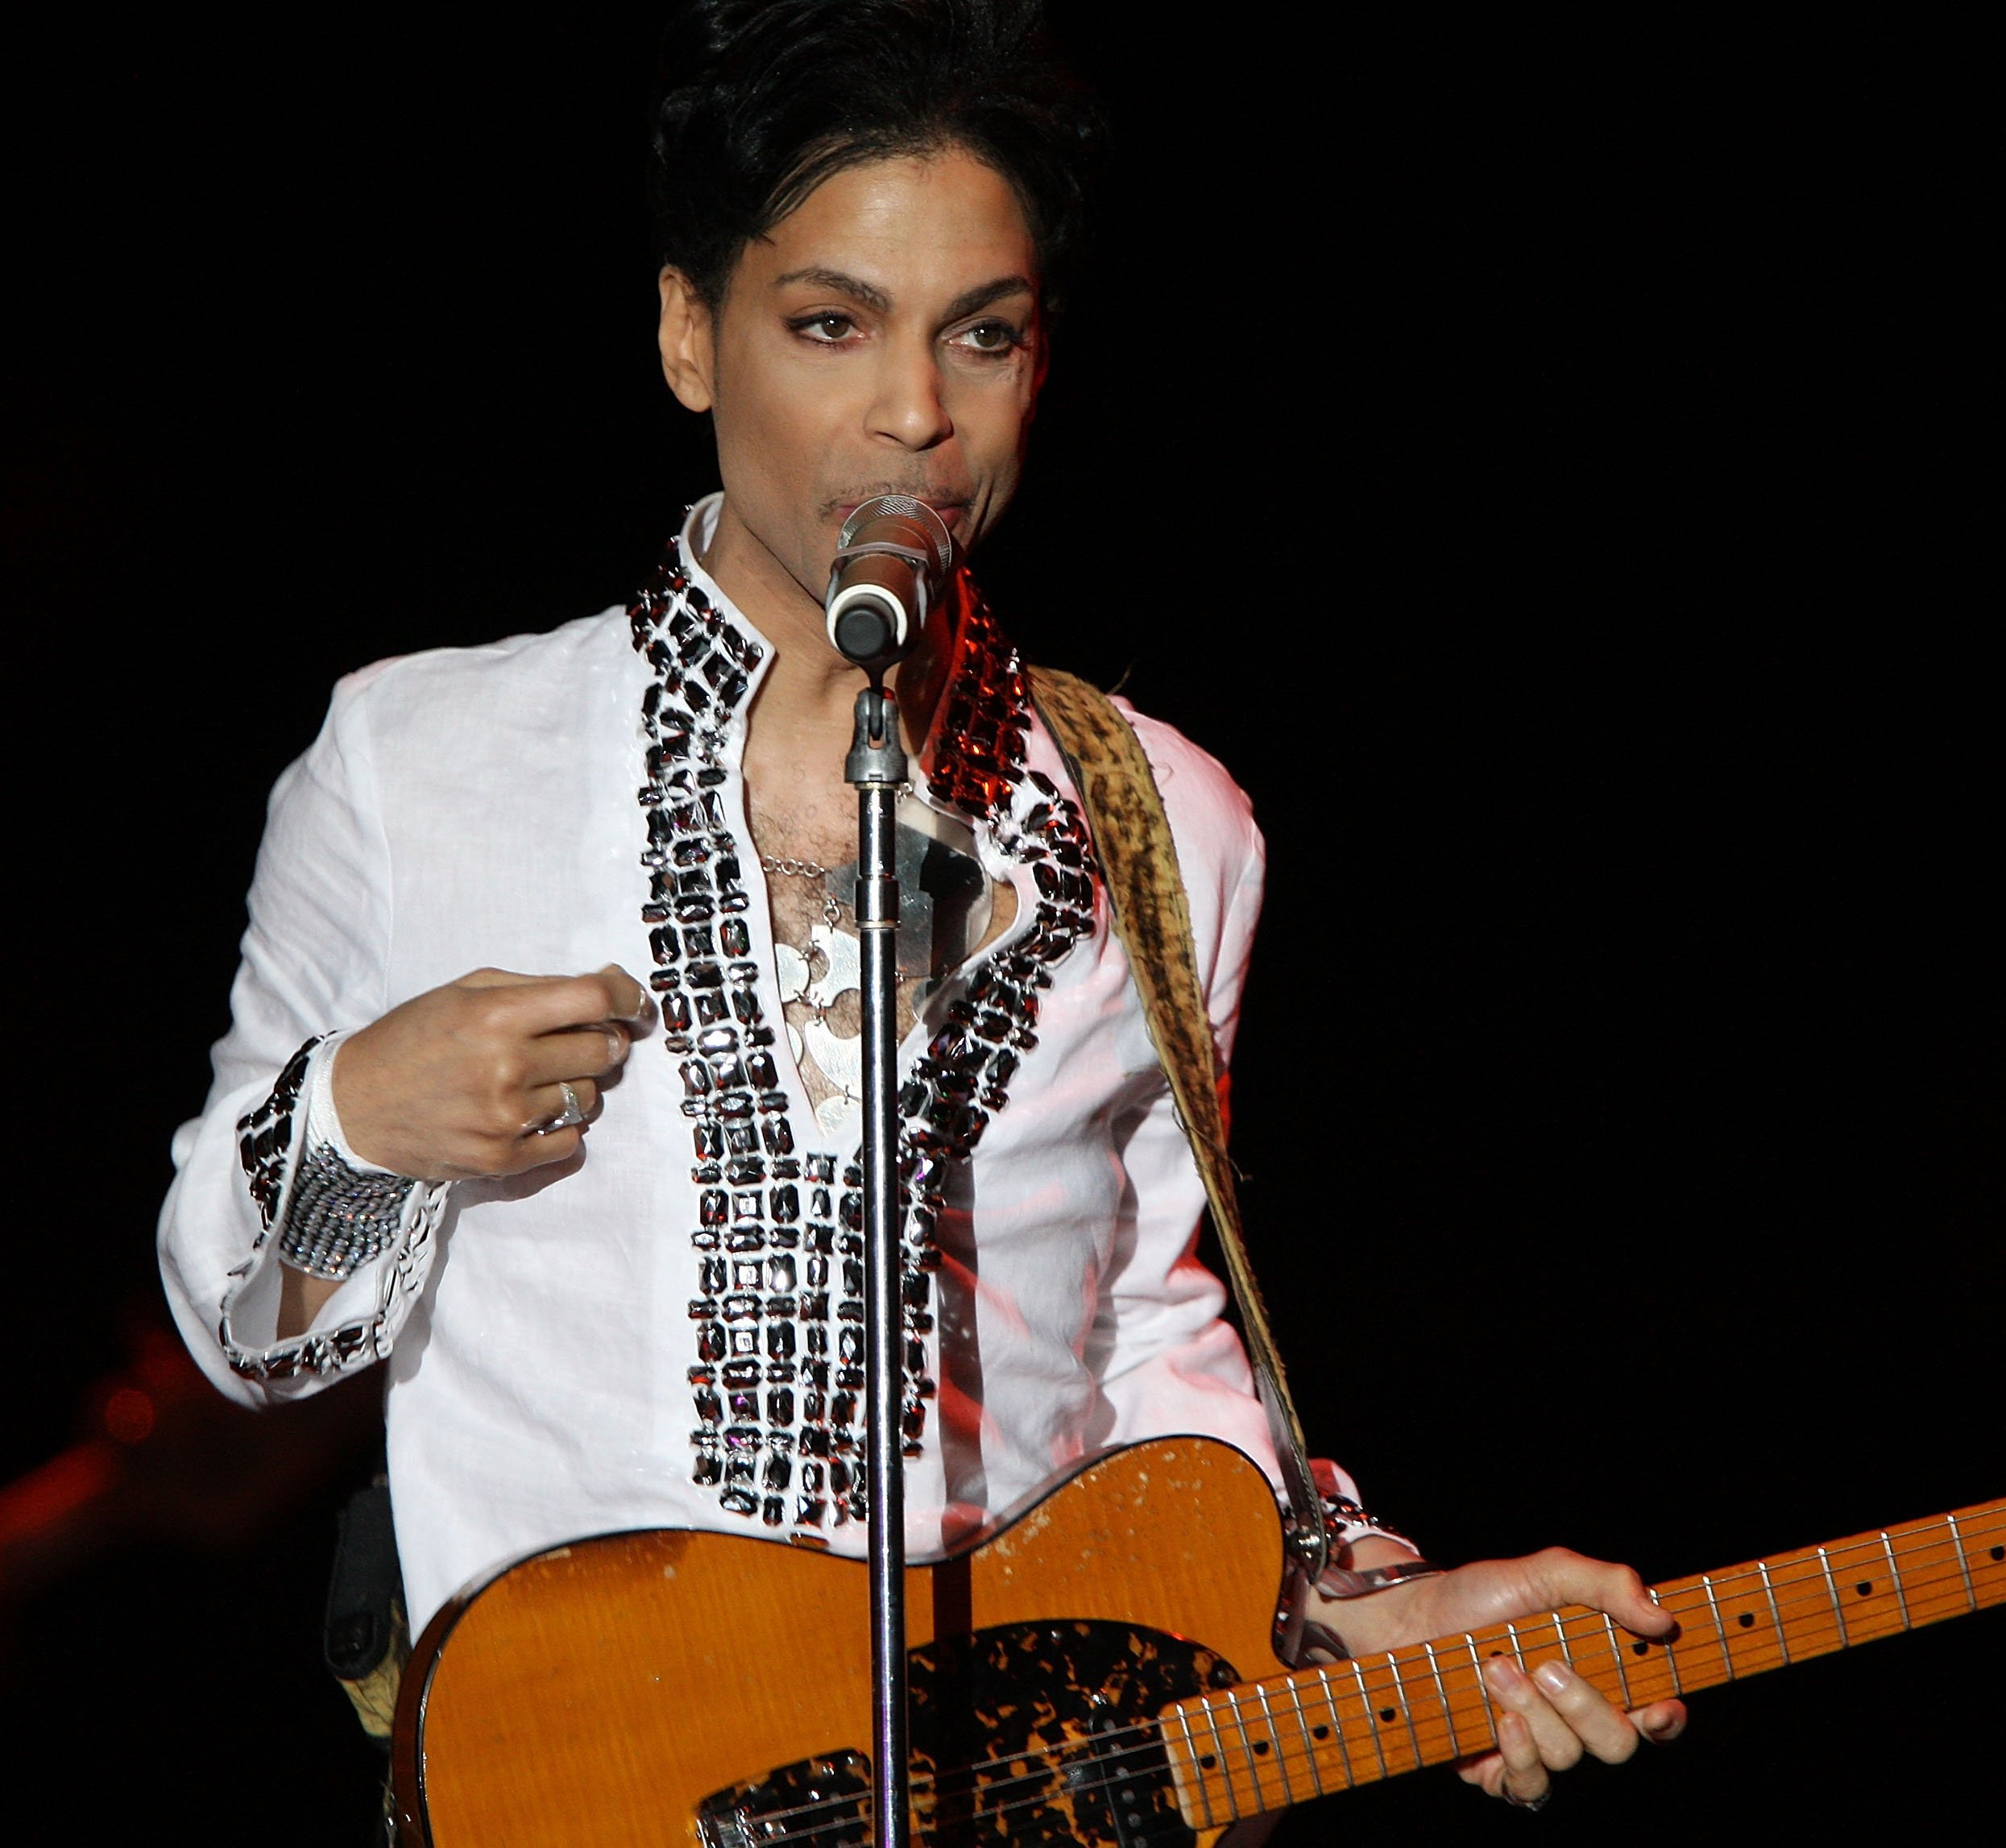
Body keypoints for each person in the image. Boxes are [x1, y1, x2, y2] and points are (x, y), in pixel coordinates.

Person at [156, 0, 1683, 1817]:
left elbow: (1135, 1329)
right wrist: (360, 1119)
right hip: (588, 1778)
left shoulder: (1161, 811)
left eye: (982, 334)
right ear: (684, 335)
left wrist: (1370, 1601)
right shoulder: (421, 759)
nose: (913, 413)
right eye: (829, 325)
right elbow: (237, 1334)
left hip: (1008, 1780)